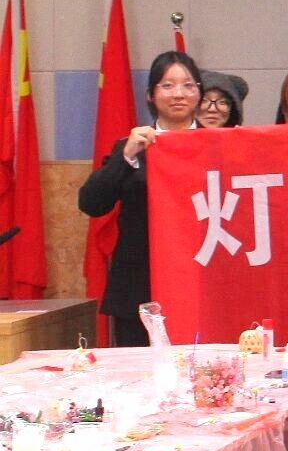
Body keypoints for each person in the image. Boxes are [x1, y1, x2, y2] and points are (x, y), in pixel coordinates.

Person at [78, 51, 201, 347]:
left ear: (199, 92)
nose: (179, 94)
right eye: (167, 85)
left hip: (200, 282)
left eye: (188, 85)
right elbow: (91, 203)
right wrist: (126, 156)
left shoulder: (216, 144)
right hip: (139, 288)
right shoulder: (132, 147)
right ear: (150, 95)